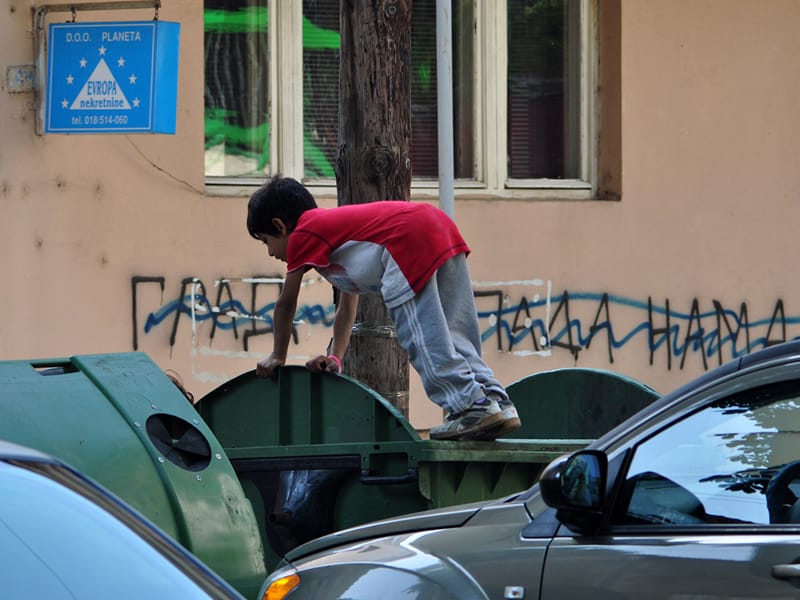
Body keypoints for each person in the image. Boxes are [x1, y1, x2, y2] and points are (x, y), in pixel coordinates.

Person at [247, 175, 520, 441]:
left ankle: (470, 405)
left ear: (279, 226)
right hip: (438, 227)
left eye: (265, 241)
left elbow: (285, 305)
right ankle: (494, 401)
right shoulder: (333, 237)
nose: (270, 252)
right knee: (454, 332)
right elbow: (347, 307)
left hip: (407, 239)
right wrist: (336, 358)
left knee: (422, 336)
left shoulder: (304, 233)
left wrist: (277, 355)